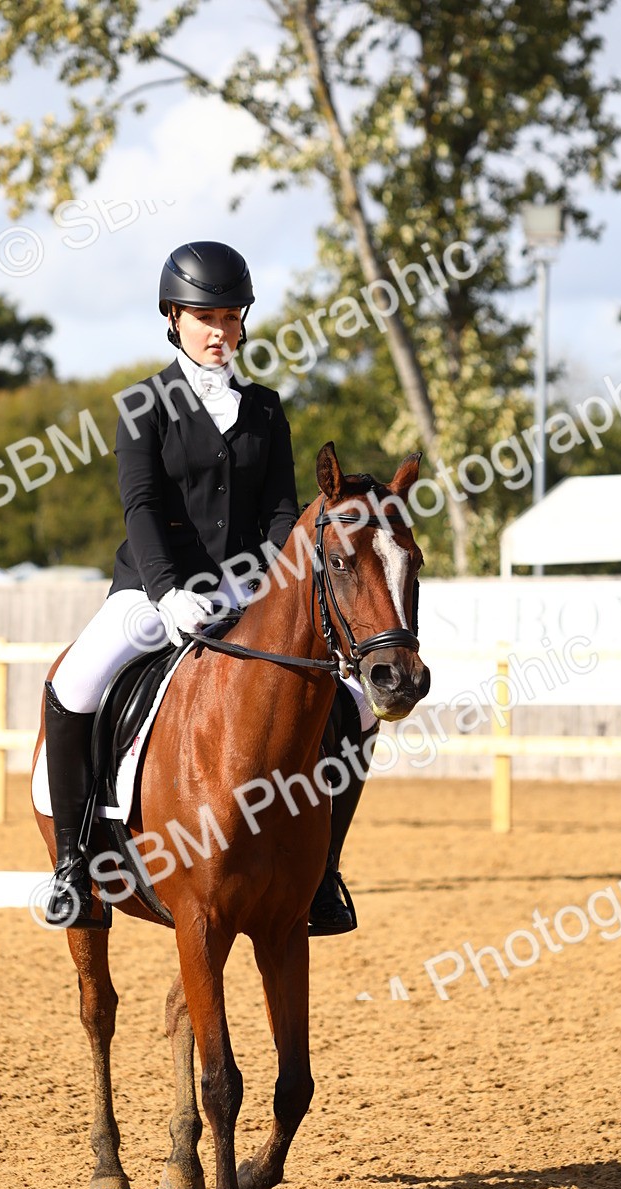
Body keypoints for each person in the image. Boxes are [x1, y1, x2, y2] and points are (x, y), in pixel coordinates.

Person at [43, 240, 378, 933]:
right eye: (206, 318)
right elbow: (140, 507)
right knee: (73, 685)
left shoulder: (265, 409)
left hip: (246, 591)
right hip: (152, 591)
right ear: (174, 317)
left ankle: (323, 874)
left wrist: (270, 577)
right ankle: (74, 866)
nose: (219, 331)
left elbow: (283, 512)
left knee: (357, 705)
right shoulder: (144, 404)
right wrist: (168, 592)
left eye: (231, 317)